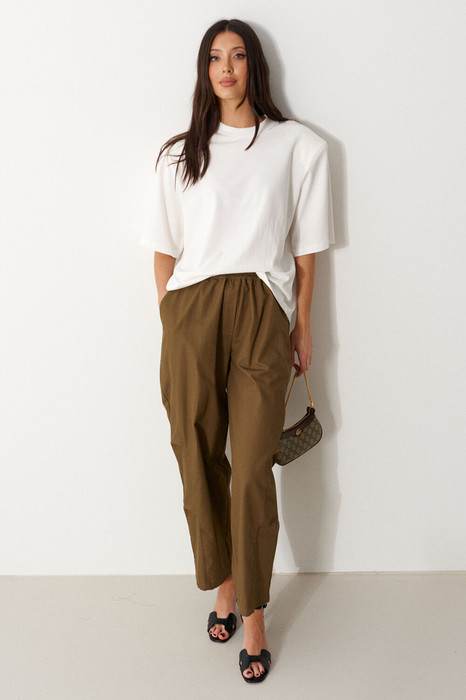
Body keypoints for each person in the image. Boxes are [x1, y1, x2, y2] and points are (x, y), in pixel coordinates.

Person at [139, 18, 335, 683]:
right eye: (215, 57)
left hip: (261, 308)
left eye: (239, 55)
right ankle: (224, 581)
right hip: (192, 310)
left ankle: (253, 613)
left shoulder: (296, 146)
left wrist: (301, 326)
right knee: (195, 452)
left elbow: (307, 251)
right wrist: (172, 316)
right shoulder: (180, 154)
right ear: (205, 70)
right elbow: (163, 248)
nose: (226, 67)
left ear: (255, 67)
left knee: (251, 465)